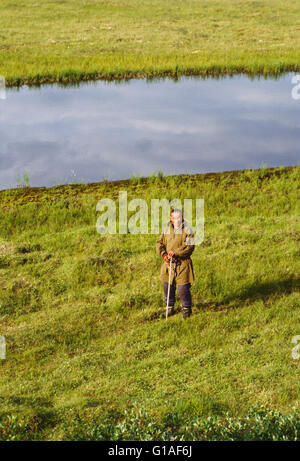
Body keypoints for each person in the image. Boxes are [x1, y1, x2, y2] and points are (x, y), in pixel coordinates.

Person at [156, 209, 195, 319]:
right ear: (171, 218)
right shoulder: (166, 229)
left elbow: (190, 247)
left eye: (179, 217)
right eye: (174, 218)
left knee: (183, 289)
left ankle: (186, 309)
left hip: (183, 264)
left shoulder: (188, 230)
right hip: (168, 264)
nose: (177, 220)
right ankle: (169, 309)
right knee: (167, 286)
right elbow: (159, 243)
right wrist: (164, 254)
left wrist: (176, 253)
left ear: (182, 217)